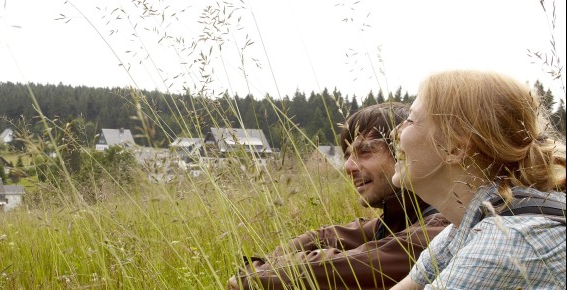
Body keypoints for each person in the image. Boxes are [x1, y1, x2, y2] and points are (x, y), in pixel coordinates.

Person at [227, 103, 450, 290]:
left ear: (404, 153)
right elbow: (326, 236)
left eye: (365, 151)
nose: (348, 166)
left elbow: (345, 266)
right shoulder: (399, 217)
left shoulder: (441, 226)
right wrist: (265, 265)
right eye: (347, 155)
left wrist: (252, 276)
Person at [390, 70, 566, 289]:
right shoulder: (466, 226)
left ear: (455, 147)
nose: (395, 133)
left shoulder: (505, 242)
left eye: (410, 120)